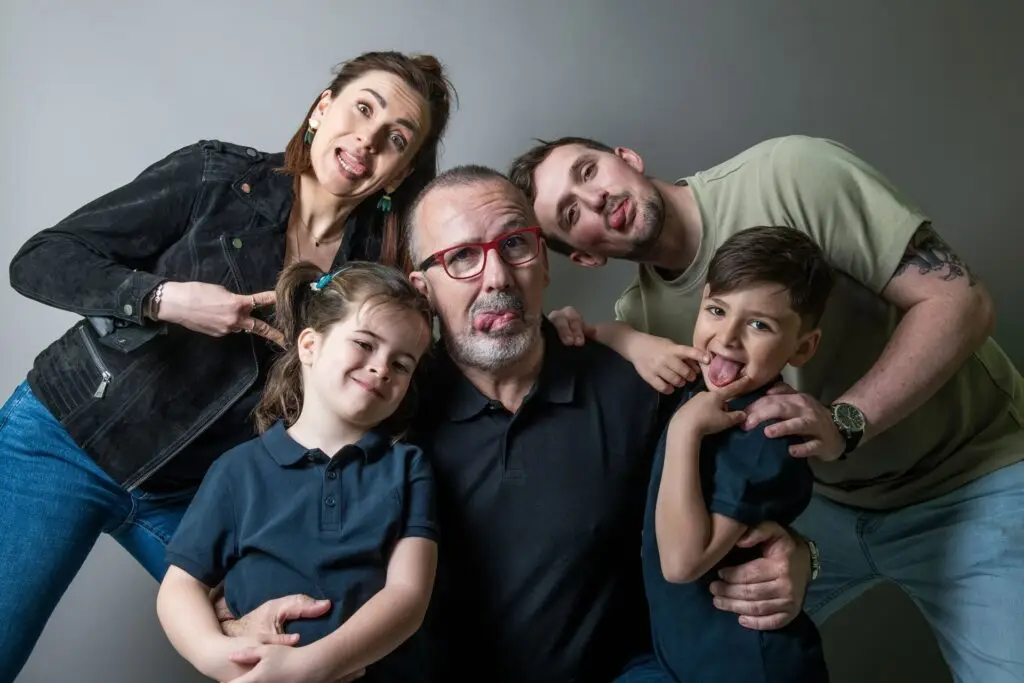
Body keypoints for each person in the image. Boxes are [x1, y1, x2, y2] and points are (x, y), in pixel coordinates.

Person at [0, 50, 455, 680]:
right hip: (64, 441)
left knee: (278, 640)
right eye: (362, 108)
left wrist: (593, 334)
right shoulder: (215, 177)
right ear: (322, 110)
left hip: (192, 494)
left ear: (402, 172)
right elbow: (40, 259)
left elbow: (424, 362)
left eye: (395, 138)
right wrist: (163, 299)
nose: (367, 140)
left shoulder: (372, 269)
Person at [508, 134, 1024, 682]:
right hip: (820, 511)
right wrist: (804, 550)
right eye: (569, 212)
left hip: (970, 479)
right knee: (689, 646)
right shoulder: (645, 325)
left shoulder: (792, 174)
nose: (594, 200)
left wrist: (845, 421)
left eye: (588, 172)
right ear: (585, 256)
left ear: (626, 158)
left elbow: (961, 301)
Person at [392, 164, 812, 683]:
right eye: (461, 258)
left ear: (543, 261)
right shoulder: (392, 411)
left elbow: (743, 504)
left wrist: (800, 555)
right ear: (423, 290)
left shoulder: (644, 389)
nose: (497, 277)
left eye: (516, 246)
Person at [157, 261, 436, 683]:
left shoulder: (407, 468)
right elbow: (180, 588)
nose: (382, 368)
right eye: (364, 343)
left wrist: (312, 666)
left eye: (401, 365)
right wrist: (220, 656)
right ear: (310, 346)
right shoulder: (238, 471)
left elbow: (409, 596)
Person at [644, 226, 832, 683]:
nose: (726, 338)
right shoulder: (700, 387)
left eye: (759, 324)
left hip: (750, 663)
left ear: (803, 346)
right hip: (691, 656)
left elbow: (682, 562)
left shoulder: (766, 430)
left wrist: (684, 431)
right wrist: (624, 340)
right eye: (716, 310)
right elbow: (608, 335)